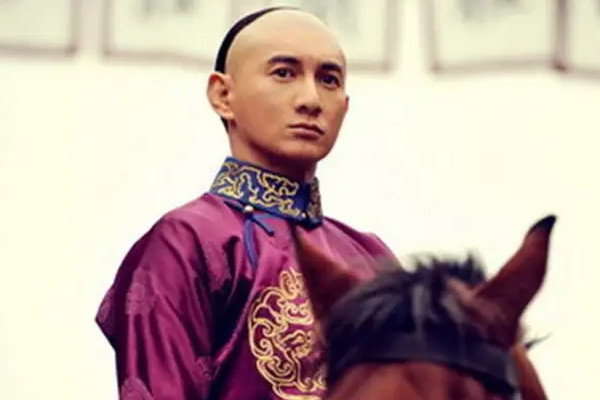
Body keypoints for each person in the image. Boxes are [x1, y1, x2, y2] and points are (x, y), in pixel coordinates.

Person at [95, 7, 397, 400]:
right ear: (223, 95)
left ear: (346, 104)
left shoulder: (371, 257)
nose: (311, 99)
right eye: (284, 73)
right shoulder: (186, 243)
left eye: (328, 79)